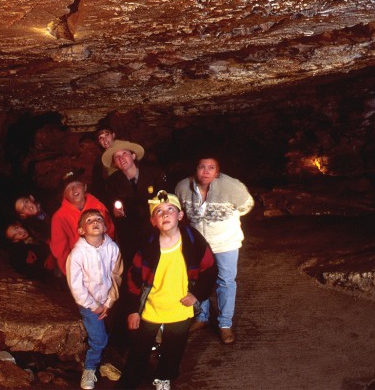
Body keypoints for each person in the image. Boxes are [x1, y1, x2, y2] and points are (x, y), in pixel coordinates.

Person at [118, 191, 216, 390]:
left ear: (180, 216)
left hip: (180, 306)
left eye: (170, 209)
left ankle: (164, 376)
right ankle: (130, 380)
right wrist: (132, 309)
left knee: (174, 347)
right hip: (151, 307)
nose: (165, 214)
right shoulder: (148, 246)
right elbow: (133, 278)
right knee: (140, 347)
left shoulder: (192, 240)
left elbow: (210, 269)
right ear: (153, 221)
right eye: (159, 212)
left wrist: (197, 295)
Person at [175, 156, 254, 344]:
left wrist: (223, 220)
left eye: (211, 168)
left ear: (217, 172)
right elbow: (179, 210)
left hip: (225, 242)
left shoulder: (231, 186)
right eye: (202, 167)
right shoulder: (183, 187)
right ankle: (202, 317)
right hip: (199, 245)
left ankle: (225, 324)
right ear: (196, 169)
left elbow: (246, 206)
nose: (206, 171)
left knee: (225, 281)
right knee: (198, 279)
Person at [66, 209, 123, 389]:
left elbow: (117, 275)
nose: (95, 222)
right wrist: (93, 305)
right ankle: (89, 369)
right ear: (82, 230)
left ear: (105, 226)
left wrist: (108, 302)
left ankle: (104, 361)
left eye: (98, 219)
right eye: (89, 220)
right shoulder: (77, 254)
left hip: (108, 301)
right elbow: (76, 285)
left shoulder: (112, 248)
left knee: (109, 334)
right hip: (88, 305)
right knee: (99, 339)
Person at [101, 140, 168, 264]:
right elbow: (111, 207)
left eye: (124, 154)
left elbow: (166, 199)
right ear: (115, 163)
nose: (121, 159)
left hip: (155, 229)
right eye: (117, 157)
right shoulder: (112, 182)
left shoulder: (153, 173)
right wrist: (116, 212)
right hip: (130, 234)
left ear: (133, 156)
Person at [50, 170, 115, 275]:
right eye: (68, 188)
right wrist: (73, 275)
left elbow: (110, 231)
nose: (74, 189)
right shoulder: (59, 218)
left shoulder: (98, 206)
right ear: (64, 195)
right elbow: (61, 251)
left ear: (85, 187)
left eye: (76, 184)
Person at [89, 126, 116, 200]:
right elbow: (97, 183)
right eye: (101, 138)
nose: (104, 139)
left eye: (107, 135)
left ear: (113, 135)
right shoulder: (99, 160)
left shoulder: (125, 152)